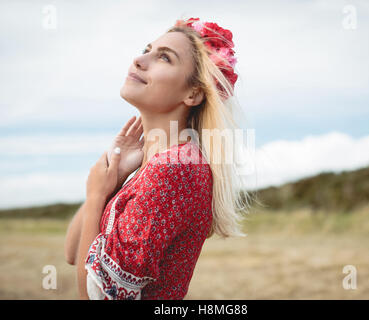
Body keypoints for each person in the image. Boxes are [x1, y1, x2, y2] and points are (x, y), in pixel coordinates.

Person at [64, 17, 255, 300]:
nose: (140, 60)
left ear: (194, 93)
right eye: (147, 49)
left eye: (164, 58)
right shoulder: (154, 165)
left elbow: (98, 297)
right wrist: (111, 183)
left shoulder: (176, 169)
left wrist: (95, 197)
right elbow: (73, 252)